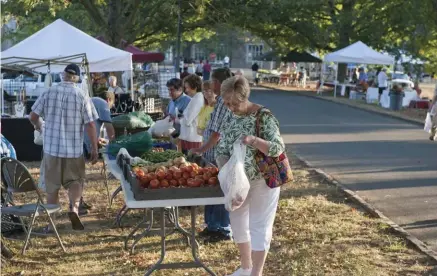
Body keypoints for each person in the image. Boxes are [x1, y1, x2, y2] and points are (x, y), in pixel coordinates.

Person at [217, 75, 285, 276]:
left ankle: (256, 273)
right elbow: (222, 147)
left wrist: (254, 140)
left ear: (245, 96)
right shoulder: (229, 116)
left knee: (259, 226)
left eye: (235, 103)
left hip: (262, 180)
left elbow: (277, 148)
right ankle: (245, 268)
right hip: (238, 183)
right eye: (227, 103)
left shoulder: (263, 116)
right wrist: (225, 171)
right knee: (237, 223)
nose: (231, 107)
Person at [29, 64, 99, 231]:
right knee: (76, 181)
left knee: (52, 187)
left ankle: (51, 223)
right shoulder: (82, 95)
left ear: (63, 75)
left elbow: (33, 116)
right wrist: (94, 148)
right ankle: (74, 208)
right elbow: (90, 124)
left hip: (51, 149)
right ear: (77, 78)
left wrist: (40, 127)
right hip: (74, 150)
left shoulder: (48, 92)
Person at [191, 68, 233, 243]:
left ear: (218, 82)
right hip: (212, 154)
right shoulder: (220, 101)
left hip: (219, 155)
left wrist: (201, 149)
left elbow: (217, 134)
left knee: (219, 191)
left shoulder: (225, 101)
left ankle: (222, 229)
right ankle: (212, 225)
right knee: (211, 189)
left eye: (212, 81)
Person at [179, 74, 204, 153]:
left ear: (195, 87)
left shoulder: (197, 100)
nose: (186, 90)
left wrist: (180, 118)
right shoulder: (196, 98)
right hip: (190, 137)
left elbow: (187, 121)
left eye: (187, 88)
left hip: (191, 138)